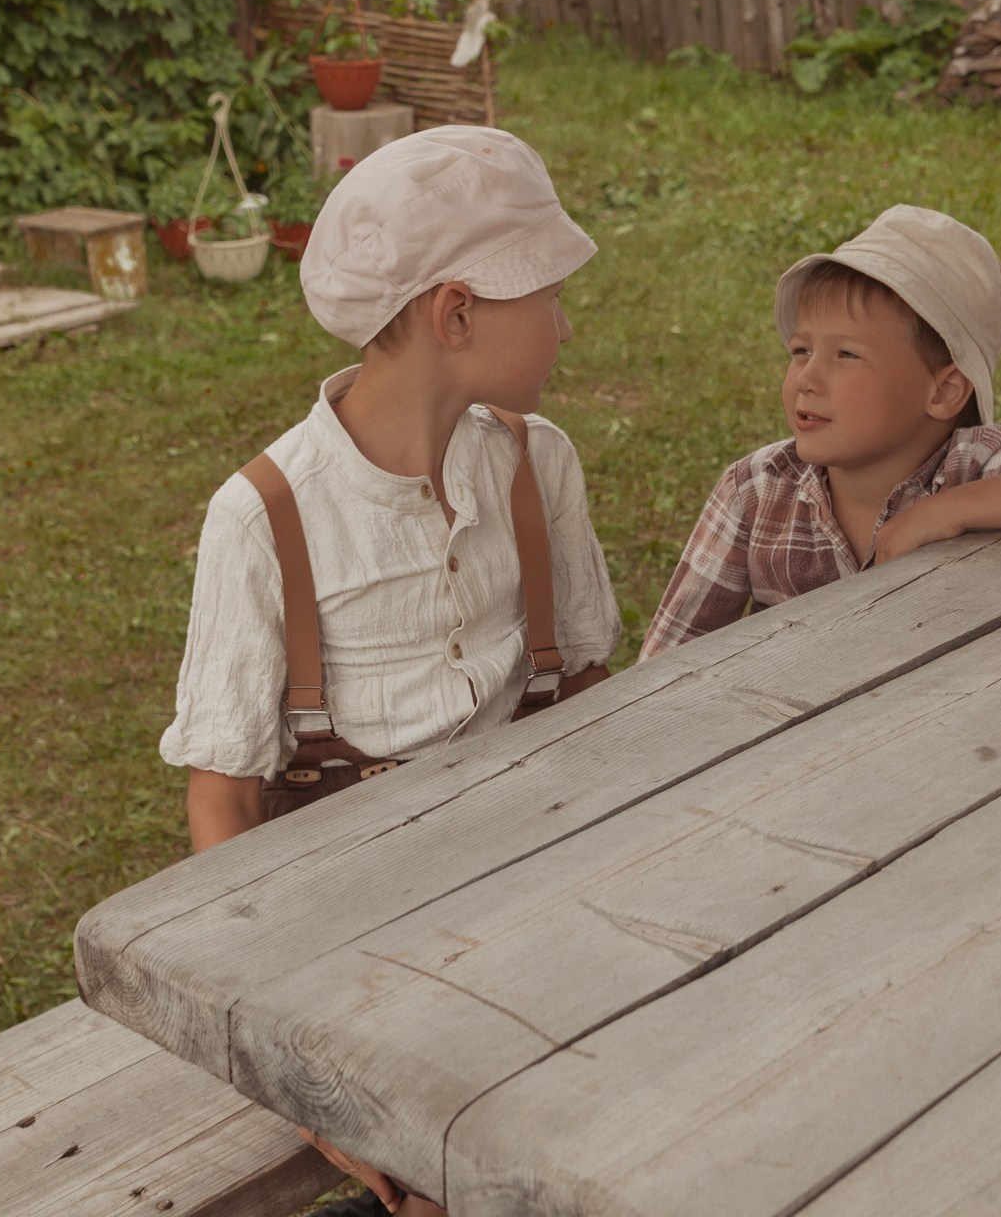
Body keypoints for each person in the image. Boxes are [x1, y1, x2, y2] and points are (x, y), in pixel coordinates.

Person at [162, 126, 620, 1215]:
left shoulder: (535, 462)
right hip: (350, 951)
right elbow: (224, 796)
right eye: (547, 295)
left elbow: (593, 697)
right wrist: (298, 1072)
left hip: (539, 897)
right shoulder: (264, 518)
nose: (566, 320)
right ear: (457, 313)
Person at [643, 204, 1001, 659]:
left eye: (846, 355)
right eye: (801, 350)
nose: (806, 378)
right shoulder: (757, 490)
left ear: (945, 392)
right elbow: (666, 664)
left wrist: (946, 511)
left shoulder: (973, 470)